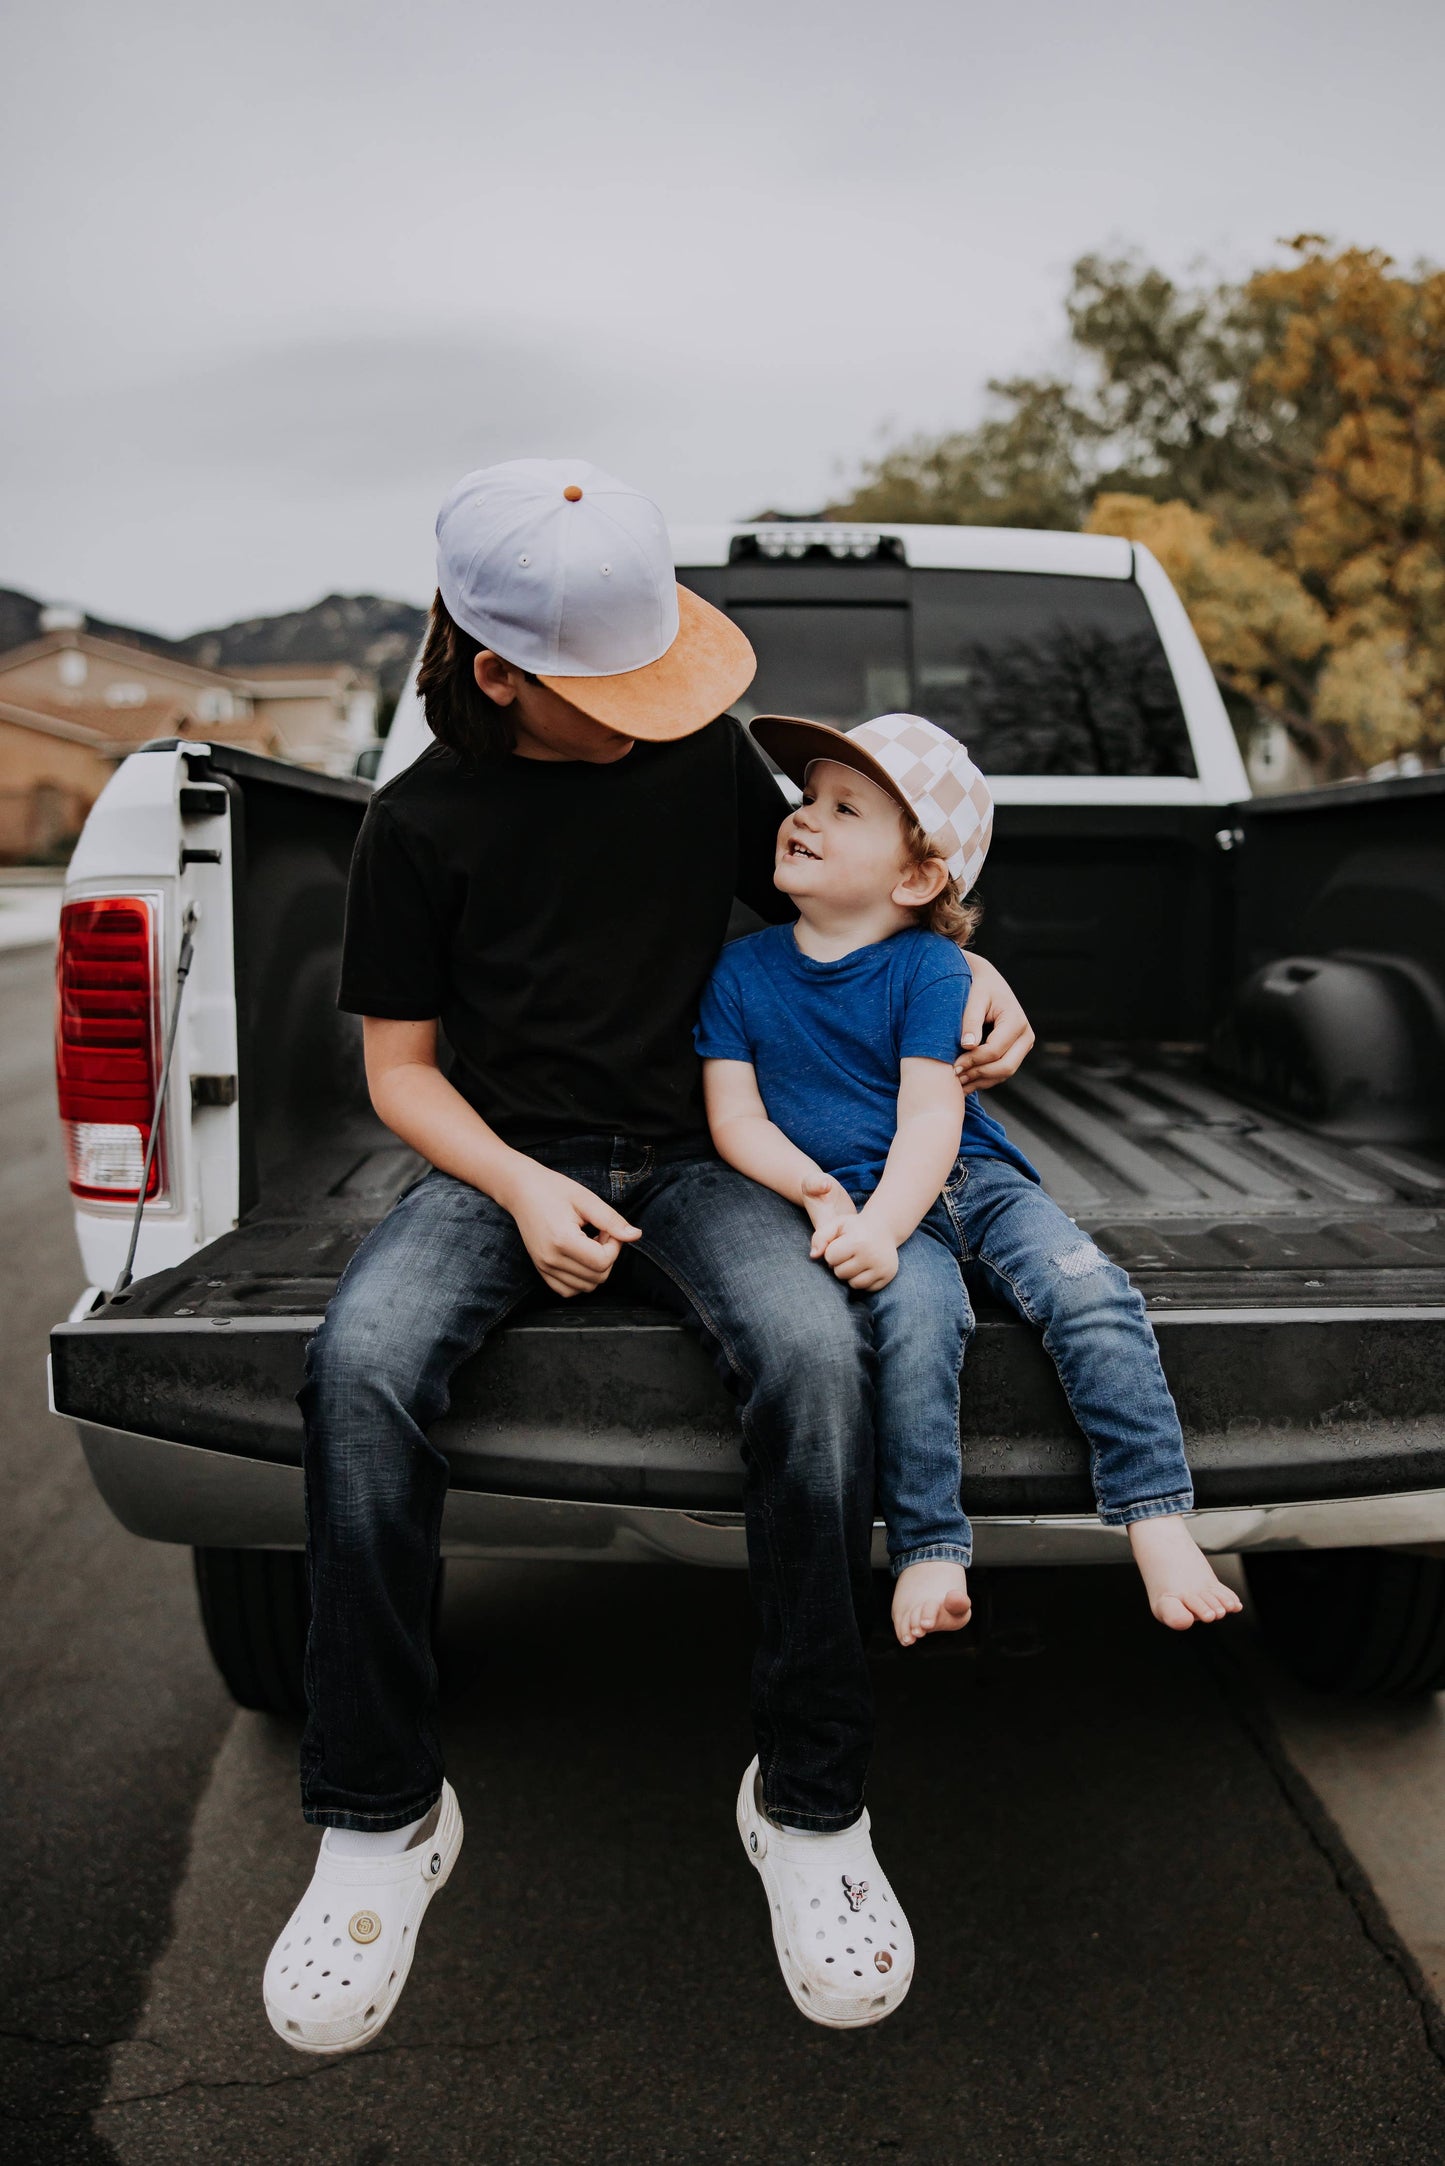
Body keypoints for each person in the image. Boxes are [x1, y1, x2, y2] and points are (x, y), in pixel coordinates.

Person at [263, 459, 1037, 2053]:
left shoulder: (704, 773)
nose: (662, 704)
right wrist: (523, 1188)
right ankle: (380, 1814)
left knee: (821, 1360)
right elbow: (402, 1072)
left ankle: (810, 1807)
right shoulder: (416, 825)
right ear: (498, 675)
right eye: (619, 682)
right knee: (358, 1368)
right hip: (503, 1164)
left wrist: (983, 978)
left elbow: (859, 896)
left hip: (712, 1155)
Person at [696, 710, 1244, 1659]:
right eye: (807, 798)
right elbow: (734, 1120)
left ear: (915, 876)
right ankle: (928, 1547)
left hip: (967, 1183)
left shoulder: (931, 968)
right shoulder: (740, 973)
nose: (803, 817)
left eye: (844, 808)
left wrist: (881, 1223)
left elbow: (931, 1119)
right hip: (864, 1200)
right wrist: (825, 1199)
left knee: (1091, 1294)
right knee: (914, 1328)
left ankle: (1154, 1514)